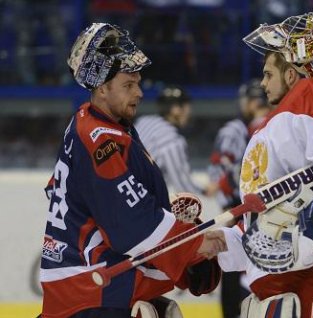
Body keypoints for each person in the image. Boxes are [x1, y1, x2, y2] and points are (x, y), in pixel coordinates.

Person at [203, 12, 313, 318]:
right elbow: (274, 228)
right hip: (289, 284)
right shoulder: (280, 120)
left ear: (291, 74)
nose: (262, 82)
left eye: (269, 73)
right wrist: (227, 243)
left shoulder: (309, 96)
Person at [39, 23, 221, 318]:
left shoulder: (94, 124)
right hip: (91, 292)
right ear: (101, 88)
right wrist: (192, 246)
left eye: (138, 83)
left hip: (82, 288)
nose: (138, 93)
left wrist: (183, 238)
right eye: (128, 85)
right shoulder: (100, 138)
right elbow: (129, 227)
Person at [205, 79, 269, 318]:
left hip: (247, 207)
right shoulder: (235, 129)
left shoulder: (257, 126)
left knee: (243, 265)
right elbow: (221, 171)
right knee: (233, 266)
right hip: (236, 208)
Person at [206, 79, 269, 210]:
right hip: (240, 202)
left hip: (255, 200)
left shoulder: (263, 126)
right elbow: (218, 169)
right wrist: (226, 204)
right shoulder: (235, 130)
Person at [135, 85, 209, 196]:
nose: (189, 112)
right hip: (139, 199)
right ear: (176, 109)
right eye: (186, 107)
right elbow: (183, 186)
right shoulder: (173, 140)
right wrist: (205, 191)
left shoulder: (143, 121)